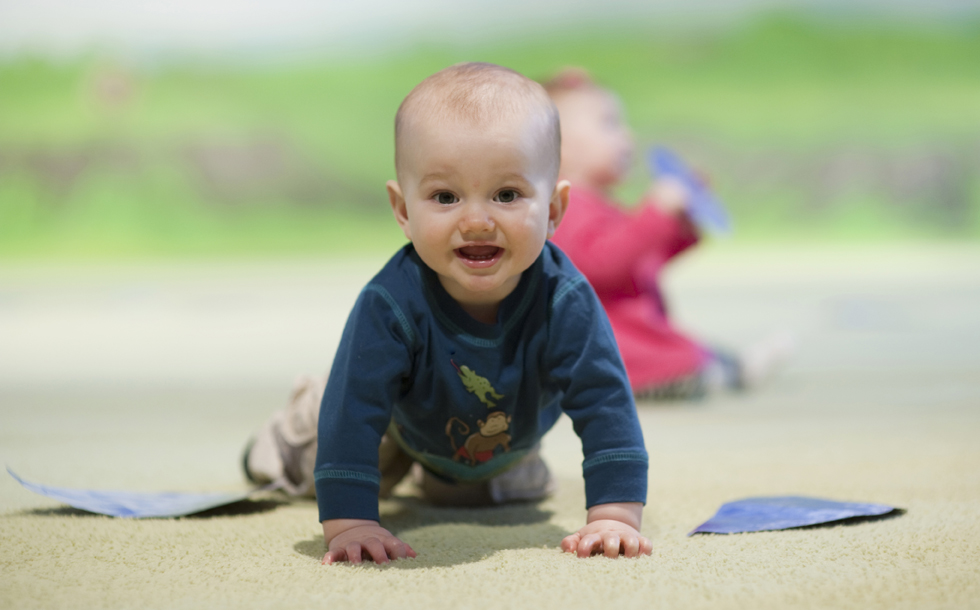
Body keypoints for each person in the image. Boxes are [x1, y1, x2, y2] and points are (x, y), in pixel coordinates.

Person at [243, 63, 652, 565]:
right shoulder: (390, 302)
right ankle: (296, 422)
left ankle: (460, 470)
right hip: (395, 418)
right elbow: (356, 408)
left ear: (553, 210)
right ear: (403, 210)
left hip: (494, 438)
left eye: (506, 195)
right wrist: (351, 524)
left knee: (487, 491)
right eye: (445, 197)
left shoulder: (563, 299)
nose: (477, 220)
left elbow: (603, 399)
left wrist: (614, 515)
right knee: (318, 457)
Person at [545, 68, 791, 399]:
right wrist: (656, 211)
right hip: (617, 350)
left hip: (634, 336)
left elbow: (640, 259)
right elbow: (602, 264)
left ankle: (729, 368)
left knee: (690, 348)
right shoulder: (565, 208)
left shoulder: (599, 204)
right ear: (559, 146)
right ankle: (720, 375)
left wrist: (680, 222)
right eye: (609, 124)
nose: (627, 137)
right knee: (678, 360)